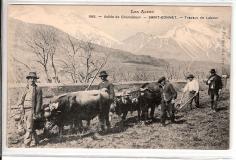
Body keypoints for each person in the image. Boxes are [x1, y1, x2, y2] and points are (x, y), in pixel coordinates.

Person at [17, 72, 42, 147]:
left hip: (32, 110)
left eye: (33, 78)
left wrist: (36, 112)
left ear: (35, 80)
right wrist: (20, 105)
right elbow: (21, 98)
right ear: (28, 79)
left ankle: (26, 143)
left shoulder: (38, 89)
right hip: (24, 110)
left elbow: (39, 102)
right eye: (30, 78)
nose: (32, 80)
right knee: (30, 126)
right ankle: (35, 141)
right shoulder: (25, 88)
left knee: (29, 127)